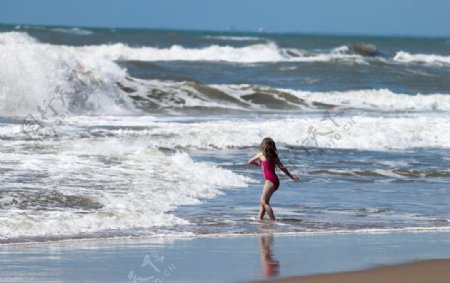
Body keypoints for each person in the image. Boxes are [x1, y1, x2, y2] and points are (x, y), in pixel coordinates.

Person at [248, 137, 299, 221]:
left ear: (263, 146)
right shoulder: (274, 156)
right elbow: (282, 167)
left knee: (264, 201)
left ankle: (273, 220)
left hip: (270, 180)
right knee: (263, 200)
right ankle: (260, 218)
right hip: (275, 180)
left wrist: (257, 164)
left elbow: (250, 162)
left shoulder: (260, 155)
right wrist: (291, 176)